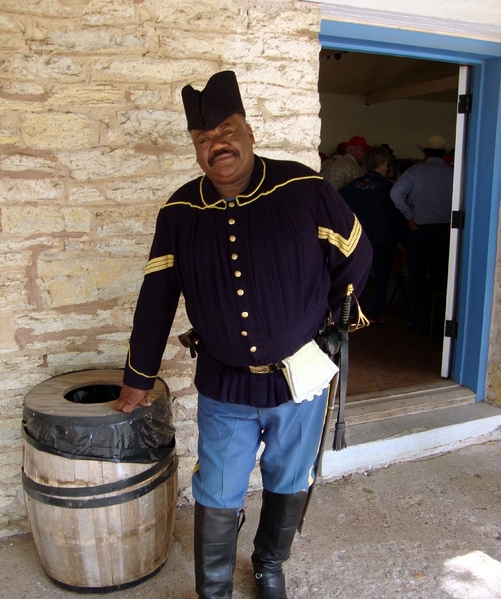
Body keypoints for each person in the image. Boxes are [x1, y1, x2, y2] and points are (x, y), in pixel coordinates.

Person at [115, 71, 372, 599]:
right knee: (217, 490)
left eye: (227, 131)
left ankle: (269, 566)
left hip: (298, 384)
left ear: (249, 131)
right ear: (196, 150)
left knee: (288, 479)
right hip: (224, 385)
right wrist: (137, 378)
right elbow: (158, 297)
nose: (217, 145)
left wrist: (330, 320)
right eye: (203, 140)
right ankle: (214, 588)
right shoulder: (181, 211)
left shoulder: (303, 188)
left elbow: (355, 252)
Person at [390, 135, 453, 334]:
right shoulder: (453, 173)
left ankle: (418, 322)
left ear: (424, 153)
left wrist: (409, 215)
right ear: (443, 154)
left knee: (416, 278)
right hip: (444, 231)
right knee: (441, 278)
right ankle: (440, 322)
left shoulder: (415, 171)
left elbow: (395, 193)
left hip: (419, 230)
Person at [339, 146, 405, 324]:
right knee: (381, 277)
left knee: (357, 276)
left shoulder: (351, 187)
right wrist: (401, 237)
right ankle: (375, 314)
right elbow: (394, 215)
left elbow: (339, 208)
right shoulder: (387, 188)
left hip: (358, 238)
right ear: (382, 165)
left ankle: (352, 312)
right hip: (383, 240)